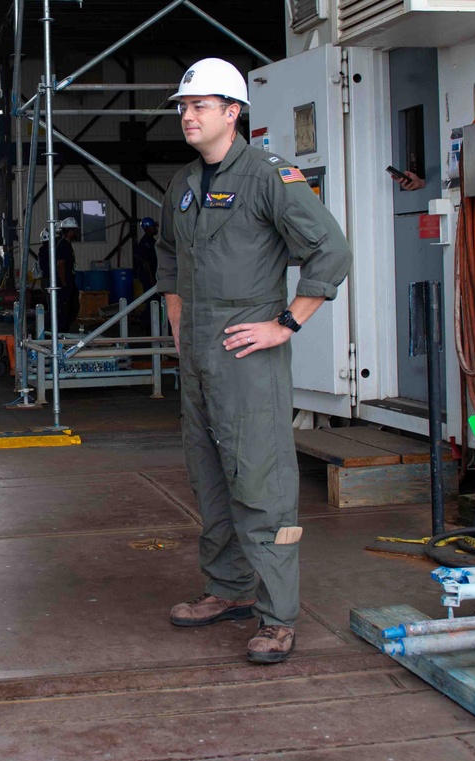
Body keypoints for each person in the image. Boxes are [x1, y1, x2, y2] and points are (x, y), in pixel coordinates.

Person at [155, 58, 351, 664]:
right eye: (183, 107)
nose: (188, 116)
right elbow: (167, 255)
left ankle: (277, 615)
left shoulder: (270, 176)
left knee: (261, 481)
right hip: (198, 354)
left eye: (201, 106)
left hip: (247, 353)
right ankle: (229, 590)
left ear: (233, 112)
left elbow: (331, 251)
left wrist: (286, 323)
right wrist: (177, 318)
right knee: (210, 474)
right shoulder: (184, 184)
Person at [55, 217, 80, 333]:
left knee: (73, 306)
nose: (75, 233)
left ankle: (65, 330)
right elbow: (60, 265)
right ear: (70, 232)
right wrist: (64, 283)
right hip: (65, 284)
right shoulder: (63, 246)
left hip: (69, 282)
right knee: (65, 309)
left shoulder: (67, 245)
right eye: (74, 231)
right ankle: (62, 332)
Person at [134, 216, 159, 293]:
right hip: (148, 274)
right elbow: (145, 261)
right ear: (147, 229)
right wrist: (150, 276)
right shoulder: (144, 243)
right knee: (151, 295)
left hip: (153, 273)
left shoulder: (152, 241)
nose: (155, 229)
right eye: (153, 227)